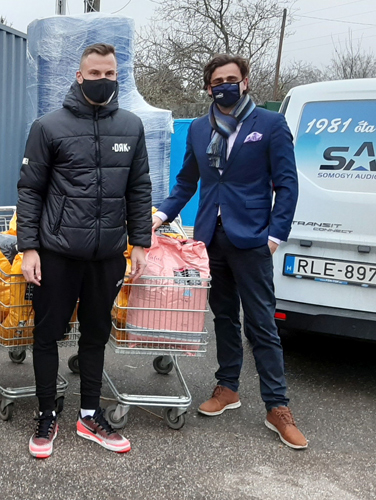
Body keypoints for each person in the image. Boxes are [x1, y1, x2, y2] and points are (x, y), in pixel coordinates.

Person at [153, 54, 307, 449]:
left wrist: (275, 237)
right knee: (223, 316)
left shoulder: (269, 125)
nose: (225, 85)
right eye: (218, 81)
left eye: (231, 79)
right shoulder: (199, 128)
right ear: (209, 87)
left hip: (253, 239)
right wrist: (160, 215)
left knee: (261, 323)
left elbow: (287, 185)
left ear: (245, 82)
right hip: (210, 238)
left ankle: (277, 407)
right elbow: (187, 182)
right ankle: (228, 387)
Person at [17, 43, 152, 459]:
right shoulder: (48, 127)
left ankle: (89, 415)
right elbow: (30, 190)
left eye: (109, 74)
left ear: (117, 76)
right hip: (57, 253)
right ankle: (46, 414)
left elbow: (139, 188)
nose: (102, 80)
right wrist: (29, 248)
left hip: (107, 255)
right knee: (47, 334)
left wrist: (141, 242)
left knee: (95, 335)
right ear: (79, 76)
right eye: (94, 73)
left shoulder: (131, 127)